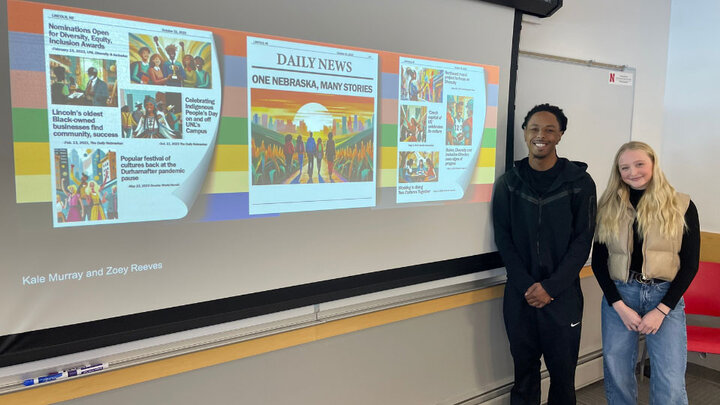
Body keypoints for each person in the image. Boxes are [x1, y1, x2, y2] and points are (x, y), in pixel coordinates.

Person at [492, 103, 596, 404]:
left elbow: (582, 241)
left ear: (560, 135)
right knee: (524, 376)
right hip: (519, 296)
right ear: (525, 133)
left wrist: (550, 287)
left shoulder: (580, 182)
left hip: (562, 296)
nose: (541, 135)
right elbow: (504, 238)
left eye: (550, 129)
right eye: (534, 128)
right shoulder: (509, 182)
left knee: (563, 379)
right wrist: (527, 285)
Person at [591, 141, 699, 405]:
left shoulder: (681, 205)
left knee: (670, 378)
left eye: (639, 164)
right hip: (621, 294)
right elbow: (599, 262)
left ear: (653, 165)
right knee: (617, 371)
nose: (632, 172)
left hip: (665, 295)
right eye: (624, 167)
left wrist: (662, 310)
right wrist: (618, 305)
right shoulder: (608, 205)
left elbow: (690, 265)